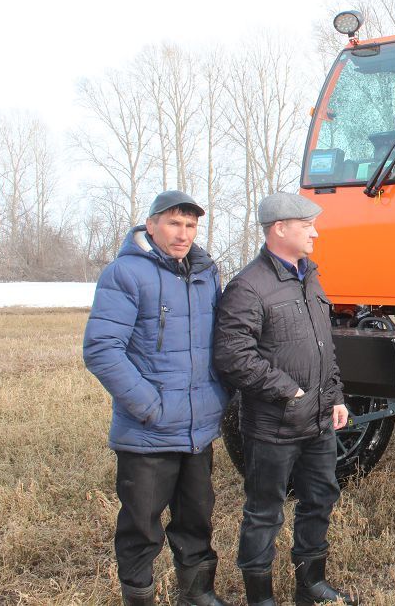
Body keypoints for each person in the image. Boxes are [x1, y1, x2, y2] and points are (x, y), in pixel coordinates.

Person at [83, 190, 229, 606]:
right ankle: (140, 597)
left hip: (198, 429)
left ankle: (197, 594)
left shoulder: (204, 273)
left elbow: (215, 343)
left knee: (197, 519)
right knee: (141, 527)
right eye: (173, 224)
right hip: (147, 431)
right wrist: (149, 405)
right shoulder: (125, 274)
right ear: (151, 225)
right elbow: (101, 349)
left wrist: (220, 395)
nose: (183, 234)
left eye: (190, 225)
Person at [213, 192, 356, 606]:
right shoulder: (248, 286)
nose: (315, 232)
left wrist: (336, 397)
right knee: (264, 512)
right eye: (306, 224)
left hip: (318, 421)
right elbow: (232, 355)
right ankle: (260, 598)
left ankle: (310, 585)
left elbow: (322, 346)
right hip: (273, 425)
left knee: (320, 499)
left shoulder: (310, 276)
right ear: (279, 229)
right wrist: (288, 391)